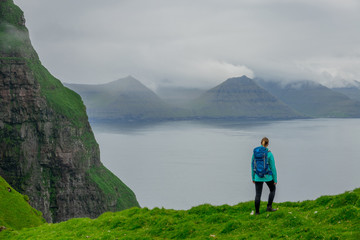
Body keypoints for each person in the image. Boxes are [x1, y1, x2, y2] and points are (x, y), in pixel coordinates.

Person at [251, 137, 277, 215]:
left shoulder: (255, 153)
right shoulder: (269, 153)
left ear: (260, 143)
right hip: (267, 176)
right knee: (272, 189)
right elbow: (273, 167)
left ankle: (257, 212)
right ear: (268, 144)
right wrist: (275, 180)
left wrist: (253, 177)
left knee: (258, 194)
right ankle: (269, 207)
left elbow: (252, 166)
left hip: (257, 176)